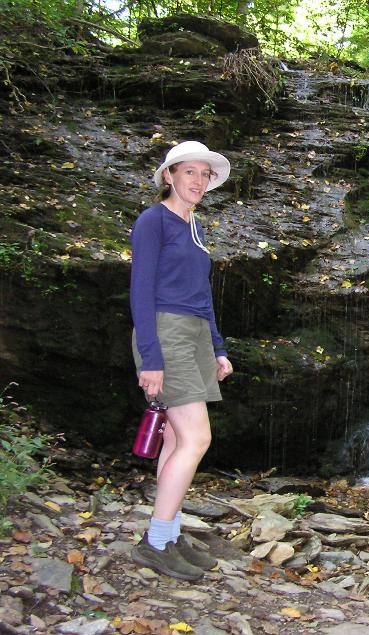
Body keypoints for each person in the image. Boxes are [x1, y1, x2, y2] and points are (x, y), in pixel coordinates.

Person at [129, 141, 234, 581]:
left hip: (192, 334)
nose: (197, 180)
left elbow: (202, 295)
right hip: (164, 332)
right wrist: (150, 358)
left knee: (175, 441)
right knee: (196, 439)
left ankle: (167, 533)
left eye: (204, 174)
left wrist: (217, 347)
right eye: (188, 171)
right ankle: (155, 543)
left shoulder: (197, 228)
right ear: (168, 175)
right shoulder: (153, 221)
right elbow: (141, 289)